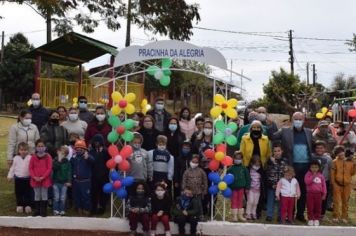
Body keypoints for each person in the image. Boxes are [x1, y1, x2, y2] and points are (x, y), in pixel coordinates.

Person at [273, 111, 313, 222]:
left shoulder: (309, 132)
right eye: (296, 119)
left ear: (304, 120)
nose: (298, 121)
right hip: (291, 166)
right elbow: (272, 137)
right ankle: (285, 214)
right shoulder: (285, 131)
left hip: (305, 166)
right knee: (287, 191)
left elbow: (313, 146)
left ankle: (300, 214)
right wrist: (272, 125)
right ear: (292, 120)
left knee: (302, 191)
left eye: (300, 119)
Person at [330, 145, 356, 223]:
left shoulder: (350, 162)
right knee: (336, 201)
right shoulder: (334, 162)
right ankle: (336, 216)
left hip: (347, 185)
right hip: (337, 184)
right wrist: (333, 184)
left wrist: (354, 165)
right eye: (338, 154)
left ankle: (344, 216)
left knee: (345, 201)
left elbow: (352, 173)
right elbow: (332, 174)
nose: (341, 155)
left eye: (342, 153)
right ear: (336, 154)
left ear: (344, 152)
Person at [29, 139, 53, 217]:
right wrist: (34, 177)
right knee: (37, 195)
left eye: (42, 146)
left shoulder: (48, 156)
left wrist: (43, 177)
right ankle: (37, 210)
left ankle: (43, 211)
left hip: (44, 180)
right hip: (35, 180)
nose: (40, 148)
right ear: (36, 148)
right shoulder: (33, 157)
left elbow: (49, 168)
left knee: (44, 194)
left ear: (45, 147)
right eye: (38, 146)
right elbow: (30, 168)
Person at [70, 139, 94, 216]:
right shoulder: (74, 158)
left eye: (81, 148)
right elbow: (70, 167)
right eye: (77, 148)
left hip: (85, 182)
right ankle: (79, 209)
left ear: (84, 149)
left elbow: (93, 161)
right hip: (76, 181)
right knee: (77, 196)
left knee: (86, 196)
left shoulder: (88, 156)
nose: (79, 149)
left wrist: (88, 158)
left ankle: (86, 210)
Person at [7, 142, 32, 214]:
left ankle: (27, 205)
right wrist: (10, 176)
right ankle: (20, 205)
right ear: (18, 151)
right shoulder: (16, 158)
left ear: (28, 150)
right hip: (18, 179)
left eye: (25, 150)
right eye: (21, 150)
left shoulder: (30, 158)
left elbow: (32, 168)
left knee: (27, 193)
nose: (23, 151)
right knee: (18, 193)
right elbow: (12, 168)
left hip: (27, 179)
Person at [265, 142, 287, 222]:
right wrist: (271, 184)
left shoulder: (285, 161)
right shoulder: (270, 161)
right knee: (270, 200)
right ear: (272, 152)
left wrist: (283, 184)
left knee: (280, 202)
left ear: (282, 151)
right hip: (272, 185)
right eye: (275, 151)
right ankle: (269, 215)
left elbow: (286, 174)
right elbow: (268, 173)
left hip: (281, 186)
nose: (277, 153)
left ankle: (280, 215)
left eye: (278, 151)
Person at [181, 154, 208, 219]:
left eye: (196, 162)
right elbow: (184, 181)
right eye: (193, 162)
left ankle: (201, 216)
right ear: (190, 162)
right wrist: (184, 190)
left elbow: (205, 181)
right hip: (189, 193)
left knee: (199, 204)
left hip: (198, 192)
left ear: (198, 163)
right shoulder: (187, 171)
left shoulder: (201, 171)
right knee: (189, 205)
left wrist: (205, 190)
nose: (194, 163)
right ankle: (190, 216)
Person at [89, 134, 110, 215]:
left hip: (104, 176)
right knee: (94, 193)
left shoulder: (106, 151)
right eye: (95, 142)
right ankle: (93, 208)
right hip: (94, 176)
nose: (97, 143)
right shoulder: (91, 151)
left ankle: (102, 208)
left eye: (98, 142)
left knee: (103, 193)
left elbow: (109, 162)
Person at [311, 140, 333, 217]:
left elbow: (331, 169)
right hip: (314, 181)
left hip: (325, 181)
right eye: (317, 148)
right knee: (313, 197)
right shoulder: (312, 156)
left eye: (321, 148)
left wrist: (331, 180)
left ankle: (322, 213)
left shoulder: (328, 158)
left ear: (325, 149)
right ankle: (313, 212)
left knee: (324, 197)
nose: (319, 150)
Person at [227, 151, 250, 222]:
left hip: (241, 188)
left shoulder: (244, 168)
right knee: (234, 201)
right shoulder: (230, 169)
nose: (238, 159)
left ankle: (240, 215)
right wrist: (228, 187)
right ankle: (234, 216)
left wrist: (247, 187)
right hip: (233, 188)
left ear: (242, 159)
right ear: (233, 158)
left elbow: (248, 178)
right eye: (236, 158)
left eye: (239, 158)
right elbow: (227, 178)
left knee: (240, 201)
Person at [304, 160, 327, 226]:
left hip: (318, 194)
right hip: (310, 194)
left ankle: (317, 219)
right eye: (312, 167)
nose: (314, 169)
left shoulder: (321, 176)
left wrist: (324, 193)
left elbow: (324, 185)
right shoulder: (308, 174)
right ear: (310, 168)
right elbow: (307, 182)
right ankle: (310, 219)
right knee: (310, 207)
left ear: (319, 168)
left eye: (316, 167)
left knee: (318, 207)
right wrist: (313, 176)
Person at [52, 146, 72, 216]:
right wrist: (59, 161)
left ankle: (62, 210)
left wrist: (69, 181)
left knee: (63, 198)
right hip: (56, 182)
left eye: (64, 154)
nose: (62, 155)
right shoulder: (54, 161)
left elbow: (69, 172)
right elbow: (54, 168)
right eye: (61, 153)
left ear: (66, 155)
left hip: (64, 183)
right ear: (58, 152)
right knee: (56, 197)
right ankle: (56, 210)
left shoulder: (67, 162)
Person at [245, 156, 264, 220]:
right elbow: (247, 179)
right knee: (250, 201)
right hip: (251, 188)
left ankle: (253, 213)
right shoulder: (249, 169)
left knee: (256, 202)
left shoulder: (261, 170)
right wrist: (247, 187)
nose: (257, 163)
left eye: (259, 162)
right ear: (252, 163)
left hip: (258, 189)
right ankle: (248, 213)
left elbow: (262, 180)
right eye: (256, 162)